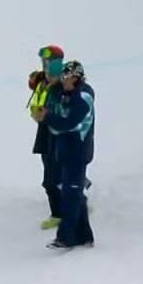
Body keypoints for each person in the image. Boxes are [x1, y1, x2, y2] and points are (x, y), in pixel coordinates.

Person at [45, 60, 96, 250]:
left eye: (66, 78)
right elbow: (55, 112)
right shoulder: (64, 93)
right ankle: (84, 236)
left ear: (76, 78)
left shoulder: (83, 98)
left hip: (78, 152)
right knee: (73, 194)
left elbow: (67, 123)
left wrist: (48, 118)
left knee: (70, 196)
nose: (63, 81)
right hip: (65, 151)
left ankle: (65, 237)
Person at [29, 45, 65, 227]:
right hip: (44, 131)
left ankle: (59, 214)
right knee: (51, 172)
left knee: (52, 178)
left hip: (56, 133)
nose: (45, 65)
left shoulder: (62, 85)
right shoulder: (42, 82)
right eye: (43, 61)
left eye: (49, 62)